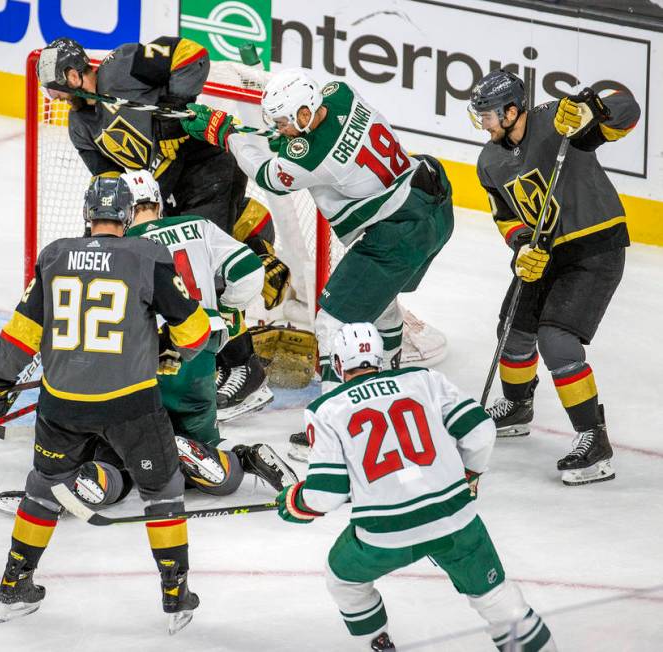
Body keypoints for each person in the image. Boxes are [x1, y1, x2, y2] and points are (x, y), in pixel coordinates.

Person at [0, 176, 211, 633]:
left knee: (43, 485)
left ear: (87, 214)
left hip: (61, 405)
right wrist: (168, 347)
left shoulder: (55, 255)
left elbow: (23, 334)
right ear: (126, 216)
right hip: (131, 405)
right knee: (162, 489)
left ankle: (14, 584)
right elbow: (195, 332)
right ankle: (175, 595)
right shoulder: (146, 255)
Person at [181, 70, 455, 459]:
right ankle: (393, 396)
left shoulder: (315, 155)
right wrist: (277, 134)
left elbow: (267, 175)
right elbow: (301, 141)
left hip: (397, 234)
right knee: (383, 311)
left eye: (284, 122)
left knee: (331, 322)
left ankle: (333, 434)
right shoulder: (339, 94)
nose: (281, 130)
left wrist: (224, 132)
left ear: (307, 114)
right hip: (430, 205)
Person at [35, 36, 287, 421]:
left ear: (72, 74)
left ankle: (244, 370)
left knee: (201, 274)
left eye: (54, 88)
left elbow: (192, 54)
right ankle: (245, 243)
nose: (53, 98)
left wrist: (175, 103)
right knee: (168, 270)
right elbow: (111, 184)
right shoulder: (81, 125)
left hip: (206, 166)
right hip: (163, 194)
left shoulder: (122, 66)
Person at [277, 322, 556, 651]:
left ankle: (377, 644)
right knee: (495, 597)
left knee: (345, 580)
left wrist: (297, 501)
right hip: (454, 517)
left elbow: (327, 494)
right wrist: (470, 473)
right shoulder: (424, 379)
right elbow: (480, 430)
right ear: (382, 359)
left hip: (385, 532)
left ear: (337, 365)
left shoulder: (325, 410)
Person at [469, 70, 640, 486]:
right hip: (546, 252)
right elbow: (506, 215)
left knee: (556, 339)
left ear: (512, 110)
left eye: (489, 115)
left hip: (595, 245)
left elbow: (627, 107)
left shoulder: (560, 124)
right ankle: (516, 406)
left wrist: (592, 108)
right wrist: (523, 246)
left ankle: (593, 439)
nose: (483, 124)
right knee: (512, 329)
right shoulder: (489, 162)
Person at [122, 169, 297, 493]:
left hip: (150, 358)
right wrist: (228, 310)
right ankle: (244, 457)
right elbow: (248, 270)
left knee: (136, 457)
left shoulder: (122, 247)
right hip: (201, 352)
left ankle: (159, 453)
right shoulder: (197, 226)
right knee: (204, 455)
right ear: (158, 204)